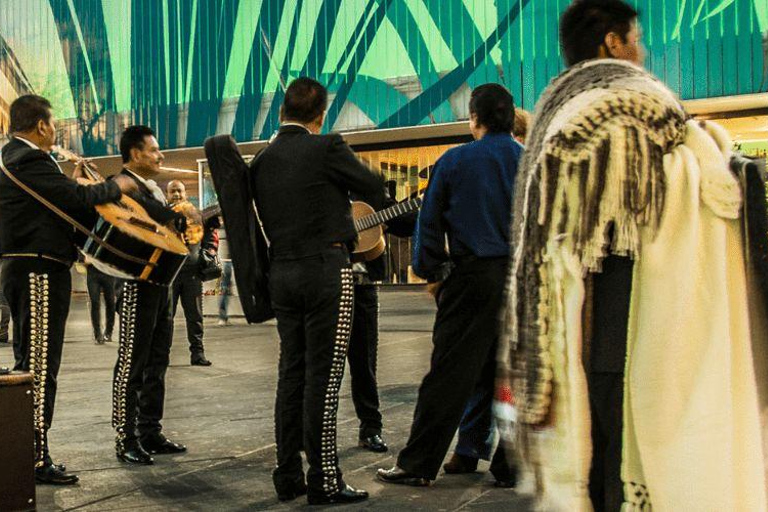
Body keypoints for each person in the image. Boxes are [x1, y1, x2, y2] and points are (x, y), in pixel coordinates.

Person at [502, 1, 768, 510]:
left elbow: (543, 241)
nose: (642, 52)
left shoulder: (556, 117)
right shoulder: (641, 108)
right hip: (643, 326)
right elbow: (710, 198)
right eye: (637, 40)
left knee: (598, 464)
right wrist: (708, 144)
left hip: (573, 333)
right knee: (640, 464)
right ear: (612, 43)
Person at [377, 83, 521, 487]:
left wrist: (432, 271)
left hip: (471, 278)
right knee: (509, 379)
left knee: (448, 376)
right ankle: (510, 464)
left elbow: (430, 224)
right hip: (519, 281)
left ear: (474, 118)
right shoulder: (531, 161)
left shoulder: (455, 161)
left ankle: (417, 463)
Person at [250, 77, 383, 505]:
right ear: (321, 115)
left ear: (281, 112)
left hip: (282, 274)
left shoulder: (263, 160)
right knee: (324, 379)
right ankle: (324, 478)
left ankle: (288, 472)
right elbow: (375, 189)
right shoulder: (328, 147)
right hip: (327, 270)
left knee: (291, 373)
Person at [0, 94, 136, 484]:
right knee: (40, 369)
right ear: (41, 126)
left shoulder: (19, 160)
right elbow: (77, 200)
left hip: (32, 267)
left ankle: (28, 452)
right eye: (53, 123)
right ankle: (34, 457)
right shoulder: (26, 159)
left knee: (34, 364)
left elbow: (61, 201)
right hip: (38, 271)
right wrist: (117, 184)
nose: (56, 130)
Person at [111, 126, 188, 465]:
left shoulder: (152, 190)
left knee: (157, 360)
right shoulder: (122, 187)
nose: (161, 155)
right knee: (132, 363)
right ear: (135, 153)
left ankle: (149, 431)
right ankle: (125, 437)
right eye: (154, 150)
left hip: (161, 285)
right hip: (133, 285)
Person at [348, 192, 417, 454]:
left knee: (365, 362)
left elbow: (408, 222)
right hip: (325, 284)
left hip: (362, 286)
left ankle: (370, 428)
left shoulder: (368, 191)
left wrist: (384, 220)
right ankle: (316, 433)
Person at [167, 180, 212, 366]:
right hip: (169, 275)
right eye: (173, 191)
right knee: (166, 317)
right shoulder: (162, 214)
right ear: (167, 194)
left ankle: (197, 353)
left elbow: (209, 238)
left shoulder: (196, 214)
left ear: (185, 193)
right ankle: (162, 354)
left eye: (179, 191)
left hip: (192, 273)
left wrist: (209, 253)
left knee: (195, 315)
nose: (176, 194)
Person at [86, 263, 117, 344]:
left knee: (110, 302)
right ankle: (97, 333)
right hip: (93, 272)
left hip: (108, 271)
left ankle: (108, 332)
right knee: (94, 302)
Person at [216, 220, 233, 326]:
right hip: (229, 260)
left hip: (226, 260)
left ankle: (222, 317)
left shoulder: (223, 226)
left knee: (225, 288)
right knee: (225, 288)